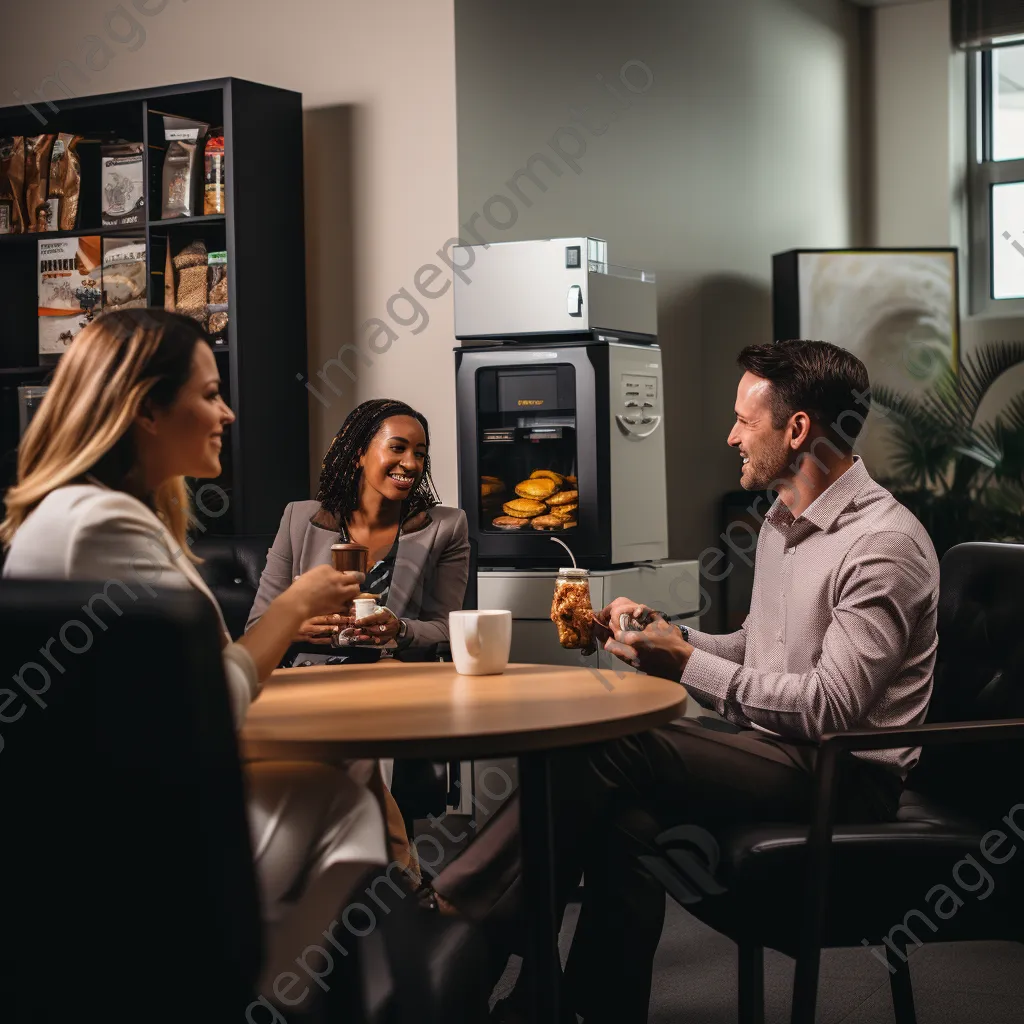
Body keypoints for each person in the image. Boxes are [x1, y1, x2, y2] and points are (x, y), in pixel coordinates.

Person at [448, 339, 941, 1023]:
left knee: (614, 743)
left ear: (797, 429)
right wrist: (673, 637)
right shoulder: (783, 521)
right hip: (774, 750)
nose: (731, 434)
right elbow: (760, 648)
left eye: (745, 419)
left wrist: (685, 666)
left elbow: (832, 708)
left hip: (843, 778)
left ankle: (456, 922)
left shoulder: (882, 544)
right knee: (630, 824)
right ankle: (561, 1007)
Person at [0, 309, 387, 1010]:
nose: (228, 412)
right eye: (209, 394)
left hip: (94, 824)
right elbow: (207, 709)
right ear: (146, 407)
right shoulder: (101, 526)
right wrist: (296, 608)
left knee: (349, 770)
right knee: (341, 799)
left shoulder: (80, 514)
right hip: (128, 850)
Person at [246, 397, 471, 884]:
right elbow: (258, 626)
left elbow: (447, 625)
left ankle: (360, 877)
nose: (411, 463)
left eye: (420, 453)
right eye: (398, 448)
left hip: (390, 673)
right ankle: (395, 874)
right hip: (306, 674)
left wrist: (399, 627)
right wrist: (300, 623)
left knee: (358, 725)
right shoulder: (299, 520)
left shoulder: (444, 528)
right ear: (358, 453)